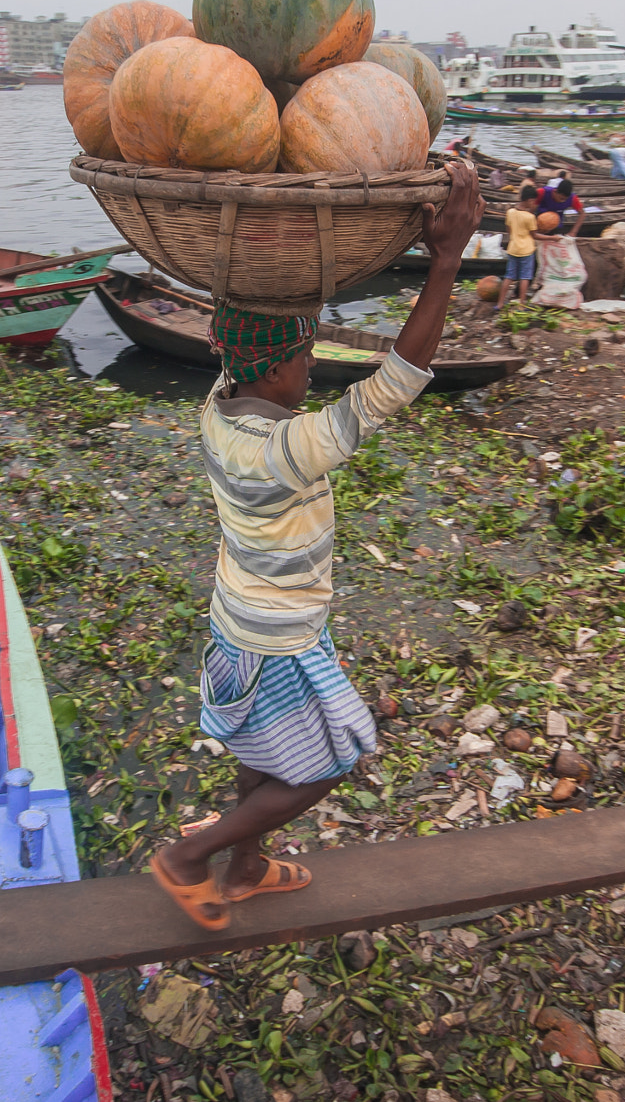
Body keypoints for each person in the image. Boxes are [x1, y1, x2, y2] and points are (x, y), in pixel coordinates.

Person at [148, 164, 482, 929]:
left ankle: (245, 864)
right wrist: (446, 258)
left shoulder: (217, 412)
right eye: (308, 355)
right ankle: (187, 858)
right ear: (280, 364)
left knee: (261, 752)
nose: (315, 367)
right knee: (331, 761)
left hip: (238, 623)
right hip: (280, 636)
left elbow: (284, 358)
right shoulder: (287, 448)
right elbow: (400, 378)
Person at [496, 187, 540, 311]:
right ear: (530, 200)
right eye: (533, 201)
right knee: (525, 277)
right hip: (526, 250)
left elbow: (508, 230)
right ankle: (521, 303)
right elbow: (534, 235)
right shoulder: (530, 217)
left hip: (513, 248)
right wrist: (552, 238)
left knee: (509, 276)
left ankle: (500, 303)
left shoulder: (510, 212)